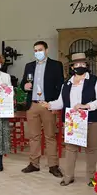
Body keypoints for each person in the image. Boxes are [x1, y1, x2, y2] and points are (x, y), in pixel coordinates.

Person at [41, 53, 97, 186]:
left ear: (87, 66)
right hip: (72, 121)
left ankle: (91, 177)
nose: (80, 66)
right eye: (76, 64)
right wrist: (49, 104)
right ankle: (68, 176)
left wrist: (87, 106)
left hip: (92, 120)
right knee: (71, 149)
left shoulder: (95, 81)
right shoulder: (66, 84)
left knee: (90, 148)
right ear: (72, 67)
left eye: (82, 64)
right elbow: (61, 102)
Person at [20, 40, 64, 177]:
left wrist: (54, 103)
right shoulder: (29, 66)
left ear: (46, 50)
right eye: (35, 50)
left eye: (40, 50)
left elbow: (60, 86)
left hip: (47, 105)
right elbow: (23, 83)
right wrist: (24, 86)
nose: (37, 52)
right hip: (32, 105)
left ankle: (53, 165)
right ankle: (34, 163)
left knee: (50, 136)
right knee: (33, 136)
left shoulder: (56, 65)